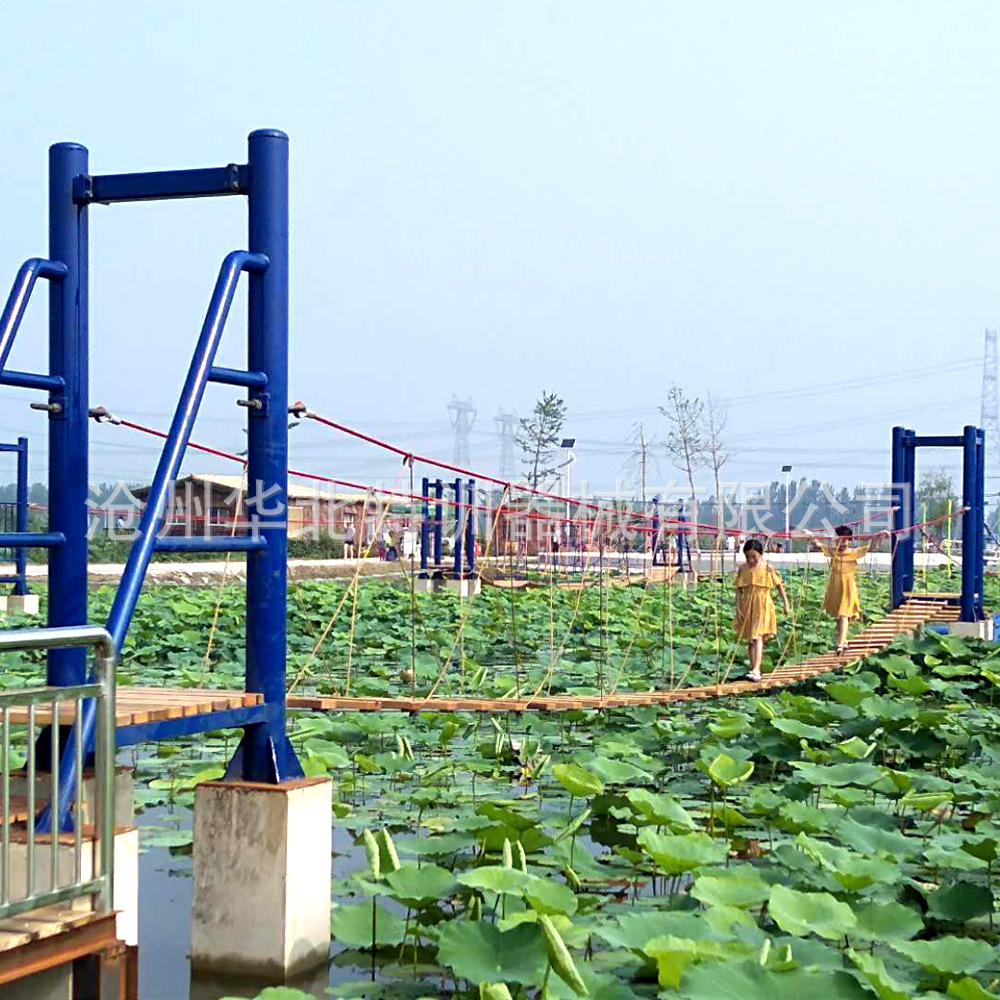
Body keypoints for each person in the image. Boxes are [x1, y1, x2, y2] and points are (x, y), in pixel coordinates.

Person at [810, 525, 884, 655]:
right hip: (835, 586)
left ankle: (840, 644)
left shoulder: (853, 552)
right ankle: (843, 641)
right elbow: (817, 544)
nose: (842, 543)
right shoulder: (832, 551)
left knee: (844, 613)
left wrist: (878, 536)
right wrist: (810, 535)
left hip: (848, 587)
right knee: (840, 616)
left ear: (849, 540)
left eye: (844, 541)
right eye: (839, 540)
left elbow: (871, 547)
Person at [733, 538, 790, 682]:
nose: (751, 560)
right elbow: (739, 591)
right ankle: (753, 669)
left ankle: (757, 669)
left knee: (758, 636)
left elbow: (779, 586)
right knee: (750, 639)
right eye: (748, 557)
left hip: (763, 603)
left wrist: (786, 603)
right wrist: (738, 608)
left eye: (754, 557)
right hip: (747, 605)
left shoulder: (767, 568)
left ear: (761, 554)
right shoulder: (742, 568)